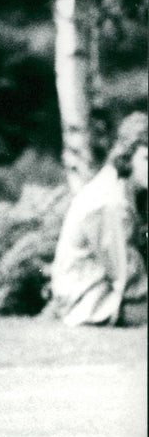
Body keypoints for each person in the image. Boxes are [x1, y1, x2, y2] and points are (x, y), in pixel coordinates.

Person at [50, 112, 148, 327]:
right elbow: (127, 279)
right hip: (91, 301)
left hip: (102, 293)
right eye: (146, 158)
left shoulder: (125, 188)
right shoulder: (111, 201)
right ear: (127, 155)